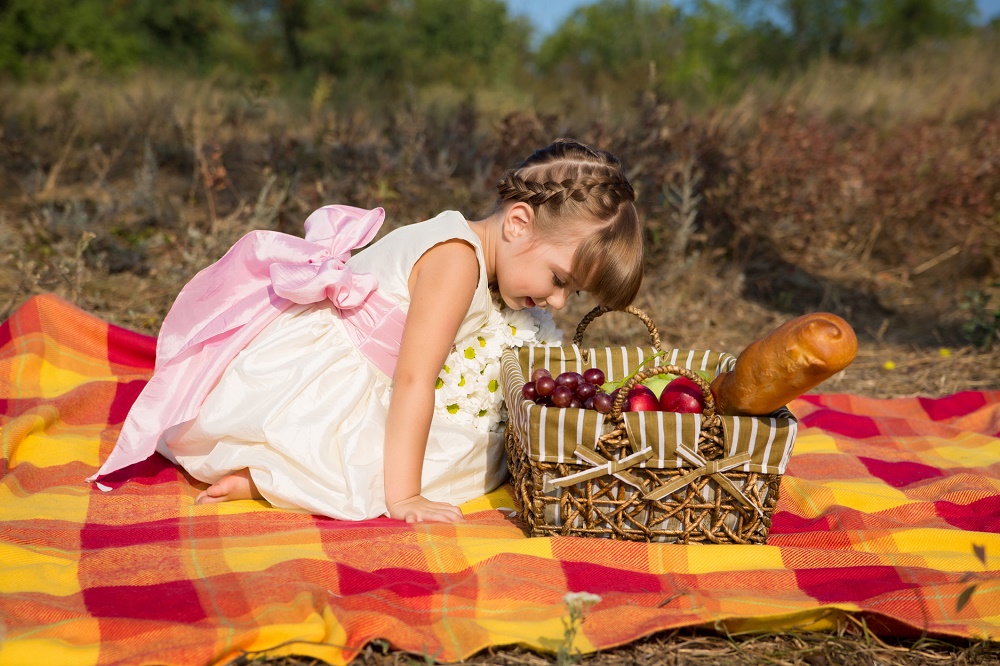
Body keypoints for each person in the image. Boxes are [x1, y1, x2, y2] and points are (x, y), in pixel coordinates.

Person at [89, 139, 644, 524]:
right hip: (328, 376)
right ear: (518, 222)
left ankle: (266, 476)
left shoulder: (473, 249)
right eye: (559, 280)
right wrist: (405, 497)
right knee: (447, 462)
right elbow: (413, 381)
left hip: (355, 367)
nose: (557, 301)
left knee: (464, 448)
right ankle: (270, 474)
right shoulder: (457, 262)